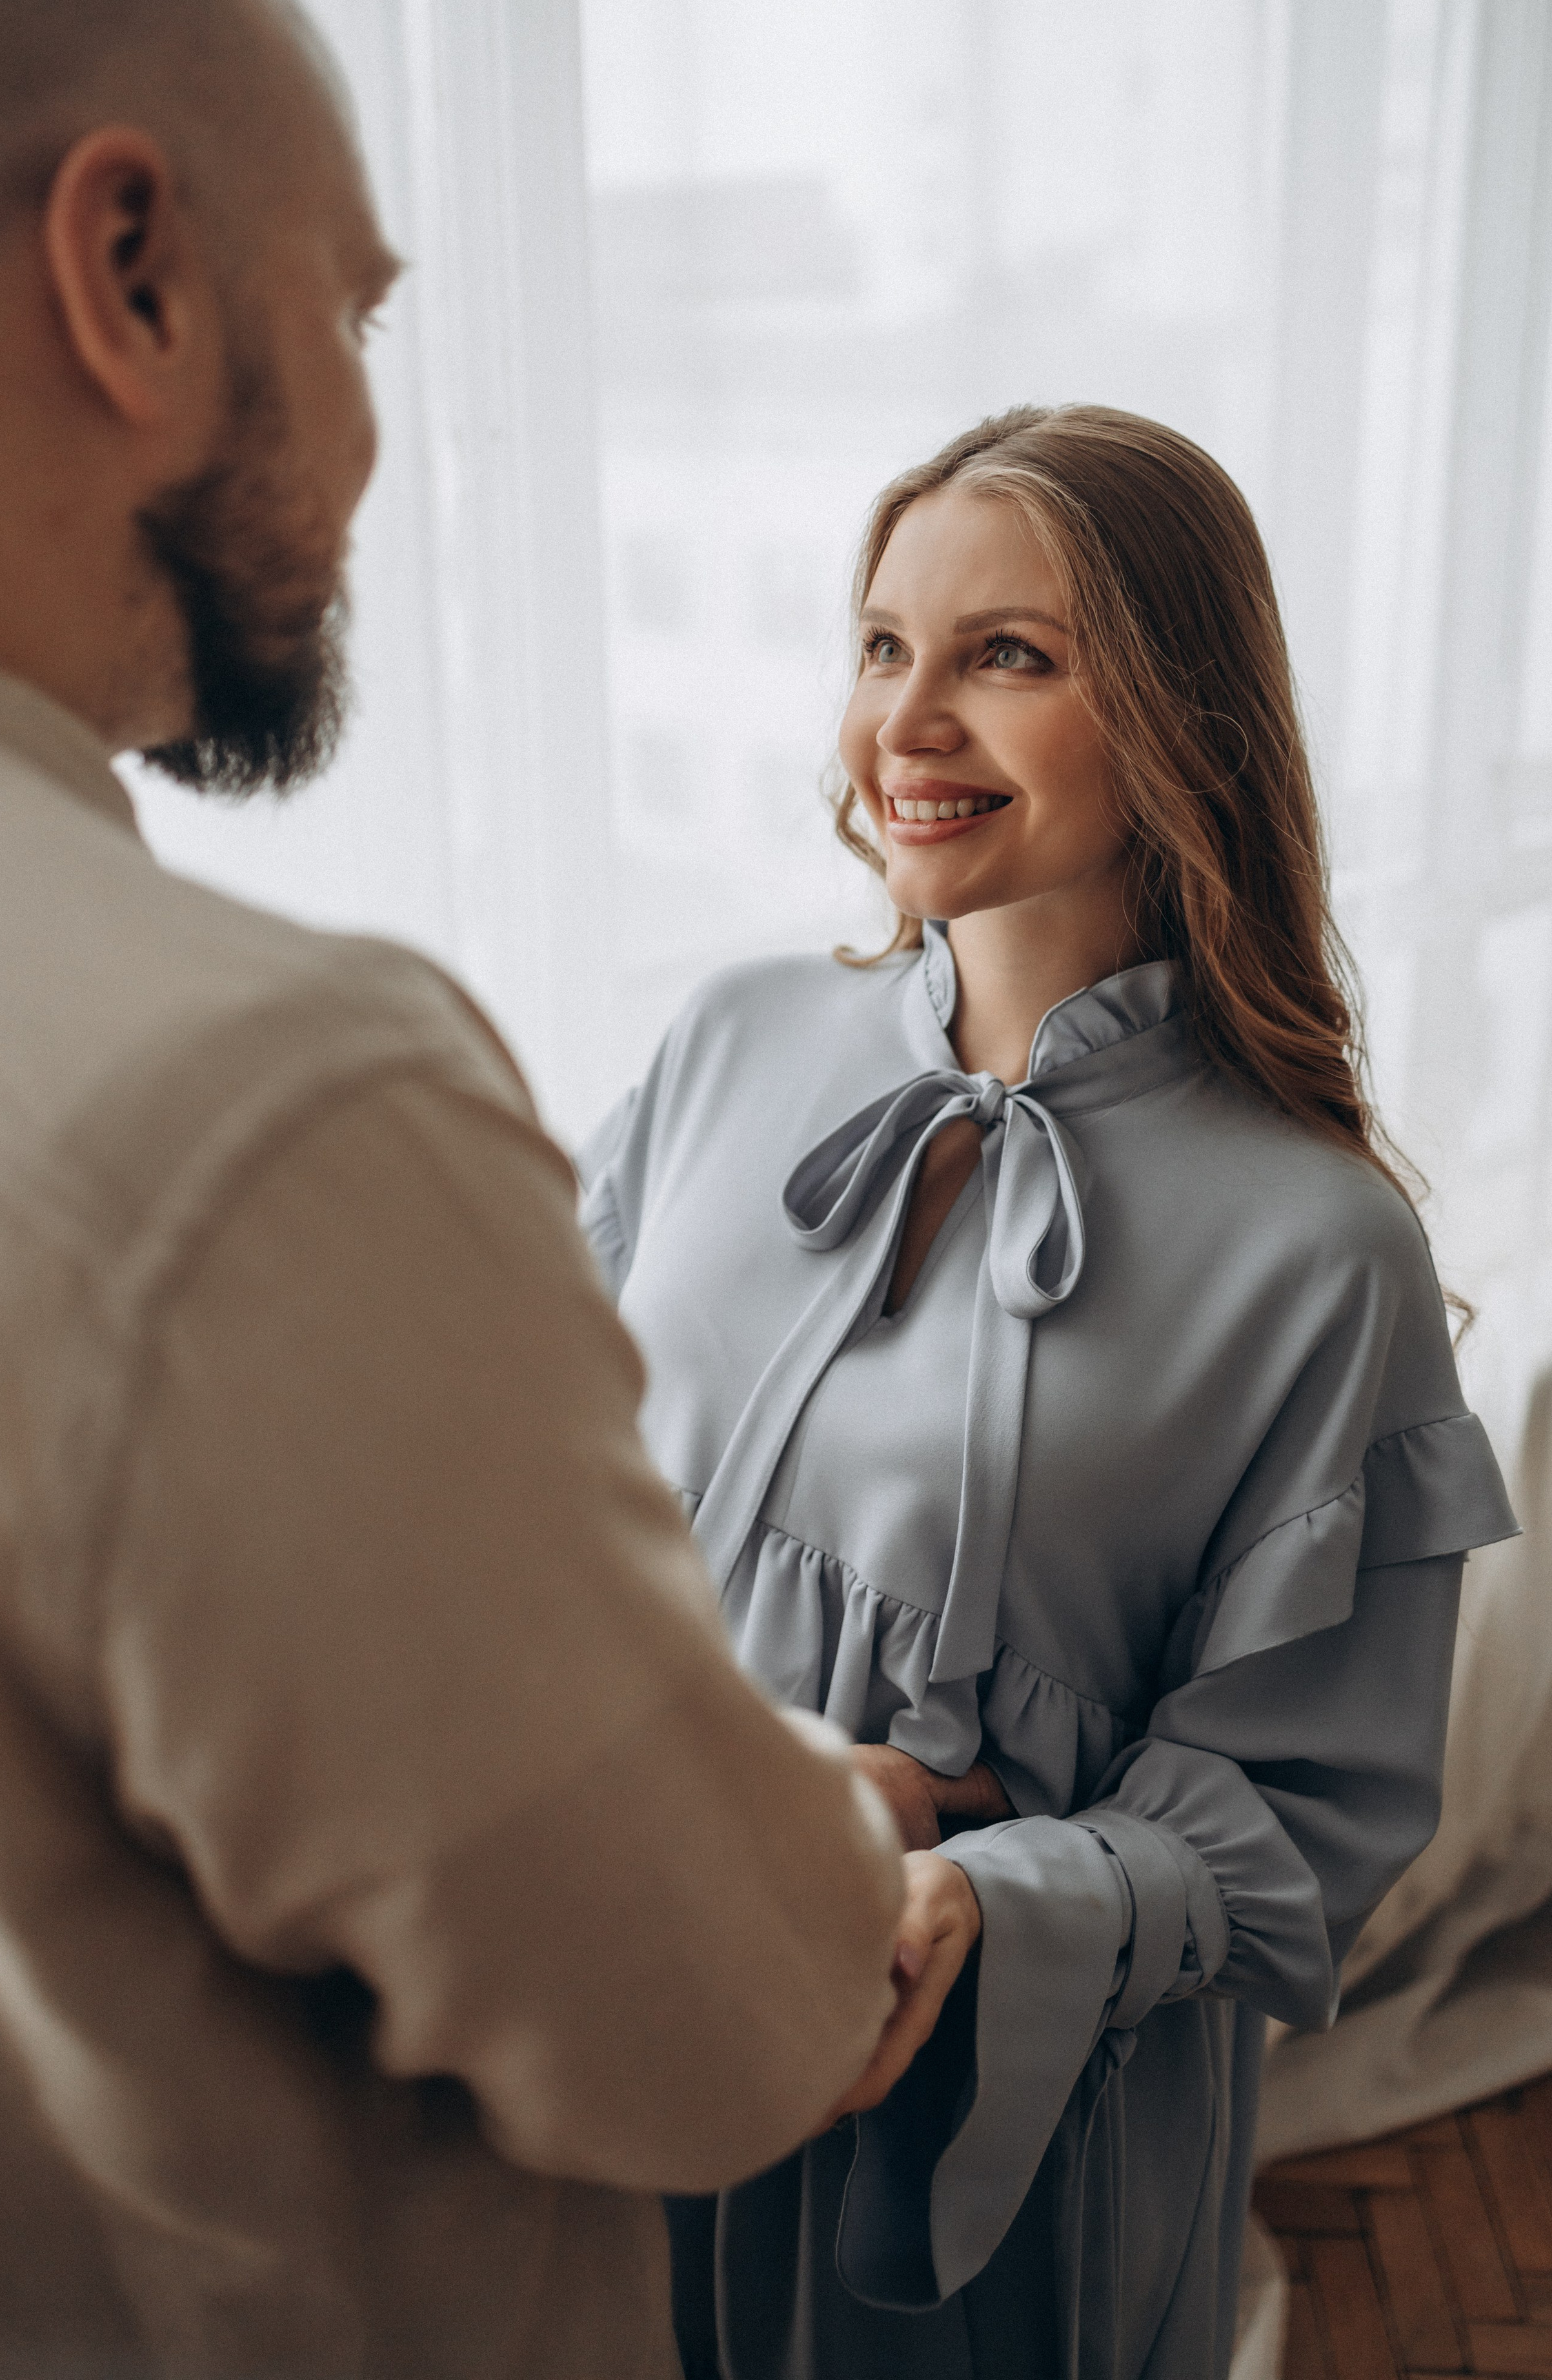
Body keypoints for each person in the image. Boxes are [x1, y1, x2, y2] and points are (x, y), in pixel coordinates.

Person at [0, 0, 921, 2373]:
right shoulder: (263, 1113)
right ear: (127, 271)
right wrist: (828, 1842)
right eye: (355, 315)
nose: (371, 446)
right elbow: (709, 2022)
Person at [581, 405, 1521, 2380]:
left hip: (984, 2162)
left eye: (1007, 655)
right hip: (603, 2003)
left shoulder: (1317, 1245)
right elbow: (543, 1482)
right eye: (881, 645)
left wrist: (965, 1876)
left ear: (1183, 716)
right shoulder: (727, 1039)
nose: (908, 720)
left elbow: (1303, 1826)